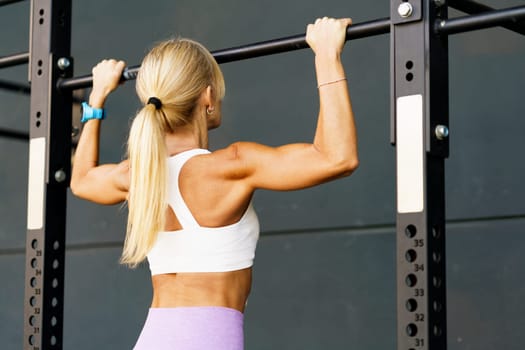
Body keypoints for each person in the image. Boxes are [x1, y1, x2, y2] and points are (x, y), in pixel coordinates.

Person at [70, 17, 358, 350]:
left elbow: (82, 181)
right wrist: (326, 55)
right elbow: (338, 158)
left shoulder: (137, 175)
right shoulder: (232, 165)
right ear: (208, 97)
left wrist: (97, 97)